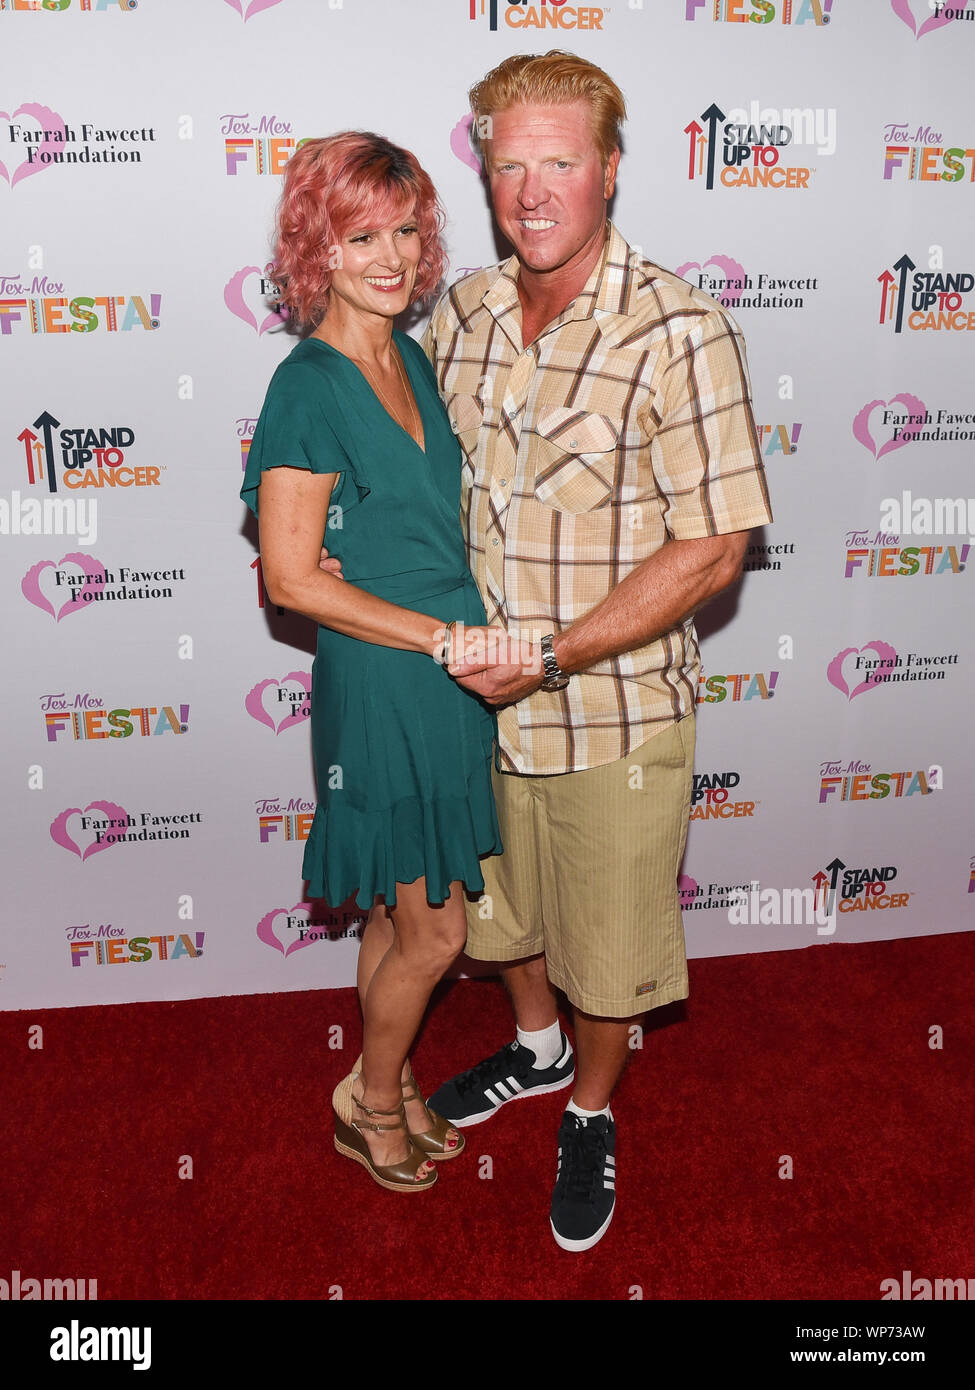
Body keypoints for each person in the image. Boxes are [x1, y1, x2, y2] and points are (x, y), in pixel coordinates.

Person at [419, 52, 774, 1250]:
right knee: (503, 917)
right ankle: (533, 1048)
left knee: (612, 952)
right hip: (473, 707)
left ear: (610, 170)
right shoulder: (459, 314)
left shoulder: (679, 327)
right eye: (509, 164)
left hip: (611, 711)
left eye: (559, 161)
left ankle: (590, 1103)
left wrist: (552, 655)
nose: (531, 190)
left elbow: (715, 546)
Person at [240, 132, 506, 1193]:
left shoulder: (412, 354)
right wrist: (439, 636)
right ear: (319, 246)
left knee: (405, 912)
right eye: (361, 235)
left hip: (449, 671)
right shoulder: (306, 385)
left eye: (405, 230)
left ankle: (376, 1085)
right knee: (440, 929)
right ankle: (374, 1099)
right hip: (391, 676)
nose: (390, 256)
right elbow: (294, 579)